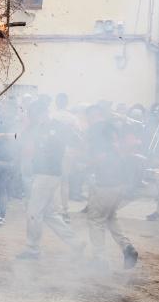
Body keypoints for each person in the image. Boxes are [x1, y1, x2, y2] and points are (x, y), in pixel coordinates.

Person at [16, 101, 84, 259]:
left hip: (48, 175)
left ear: (42, 113)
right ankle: (76, 243)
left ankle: (33, 249)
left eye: (33, 115)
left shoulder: (58, 127)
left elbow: (77, 142)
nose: (32, 118)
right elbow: (23, 140)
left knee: (33, 212)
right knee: (49, 213)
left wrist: (68, 160)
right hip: (43, 173)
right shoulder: (39, 127)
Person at [85, 118, 139, 270]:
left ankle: (99, 259)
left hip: (104, 187)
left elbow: (97, 162)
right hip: (118, 188)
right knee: (110, 218)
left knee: (95, 221)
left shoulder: (102, 146)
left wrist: (86, 164)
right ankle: (127, 247)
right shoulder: (116, 146)